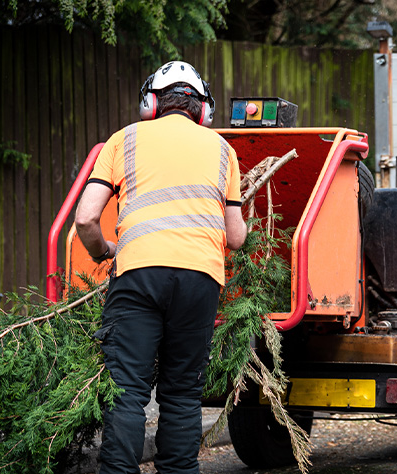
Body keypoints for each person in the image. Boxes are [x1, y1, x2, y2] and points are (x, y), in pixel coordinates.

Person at [75, 60, 247, 474]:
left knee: (128, 391)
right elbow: (237, 238)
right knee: (183, 393)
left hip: (138, 276)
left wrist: (103, 252)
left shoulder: (123, 140)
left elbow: (85, 218)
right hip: (200, 280)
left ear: (151, 103)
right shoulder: (224, 150)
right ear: (203, 110)